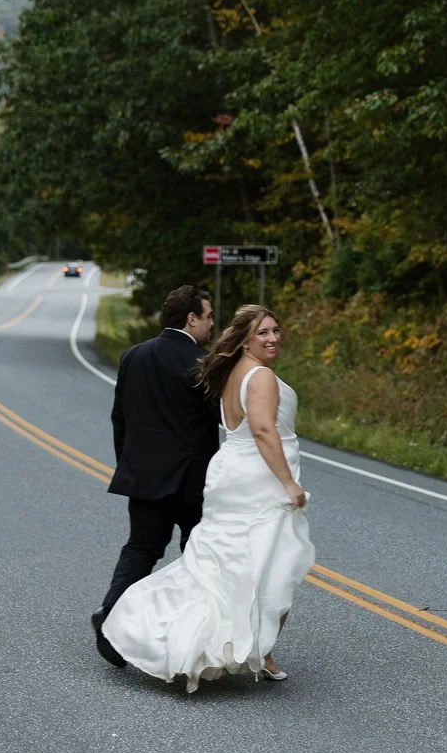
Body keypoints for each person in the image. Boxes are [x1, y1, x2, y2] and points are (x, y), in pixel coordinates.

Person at [101, 304, 314, 690]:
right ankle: (252, 647)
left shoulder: (231, 372)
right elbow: (264, 431)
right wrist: (288, 483)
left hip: (231, 471)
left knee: (228, 564)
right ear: (245, 338)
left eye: (275, 330)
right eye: (262, 332)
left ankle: (256, 649)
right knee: (274, 563)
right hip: (259, 478)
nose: (272, 338)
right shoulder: (261, 377)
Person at [92, 284, 220, 668]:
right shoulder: (202, 363)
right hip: (192, 483)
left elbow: (120, 418)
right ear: (191, 318)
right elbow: (217, 419)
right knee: (198, 557)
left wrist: (131, 464)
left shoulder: (134, 356)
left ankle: (110, 617)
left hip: (145, 477)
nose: (213, 324)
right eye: (209, 316)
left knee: (141, 549)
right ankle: (186, 636)